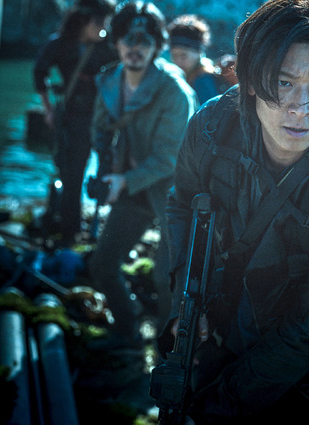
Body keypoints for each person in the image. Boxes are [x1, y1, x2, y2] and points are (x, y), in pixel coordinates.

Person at [160, 0, 309, 423]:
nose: (301, 107)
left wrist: (216, 409)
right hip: (220, 330)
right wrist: (184, 300)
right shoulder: (211, 128)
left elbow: (306, 331)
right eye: (284, 82)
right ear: (251, 79)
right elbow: (181, 203)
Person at [87, 0, 197, 349]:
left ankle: (167, 355)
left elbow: (169, 158)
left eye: (145, 41)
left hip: (175, 194)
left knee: (167, 279)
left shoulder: (174, 91)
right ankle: (127, 330)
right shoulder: (110, 81)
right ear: (115, 42)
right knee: (103, 265)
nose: (135, 48)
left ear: (157, 46)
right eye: (127, 40)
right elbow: (99, 130)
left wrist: (124, 181)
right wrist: (108, 168)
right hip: (134, 186)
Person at [33, 0, 118, 247]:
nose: (103, 27)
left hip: (104, 117)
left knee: (108, 170)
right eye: (99, 22)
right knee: (72, 174)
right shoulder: (60, 44)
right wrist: (48, 110)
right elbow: (39, 73)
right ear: (83, 21)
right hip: (73, 118)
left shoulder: (109, 46)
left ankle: (101, 232)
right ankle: (70, 232)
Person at [166, 14, 225, 104]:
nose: (178, 61)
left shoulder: (203, 80)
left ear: (198, 53)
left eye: (184, 55)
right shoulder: (186, 76)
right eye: (174, 55)